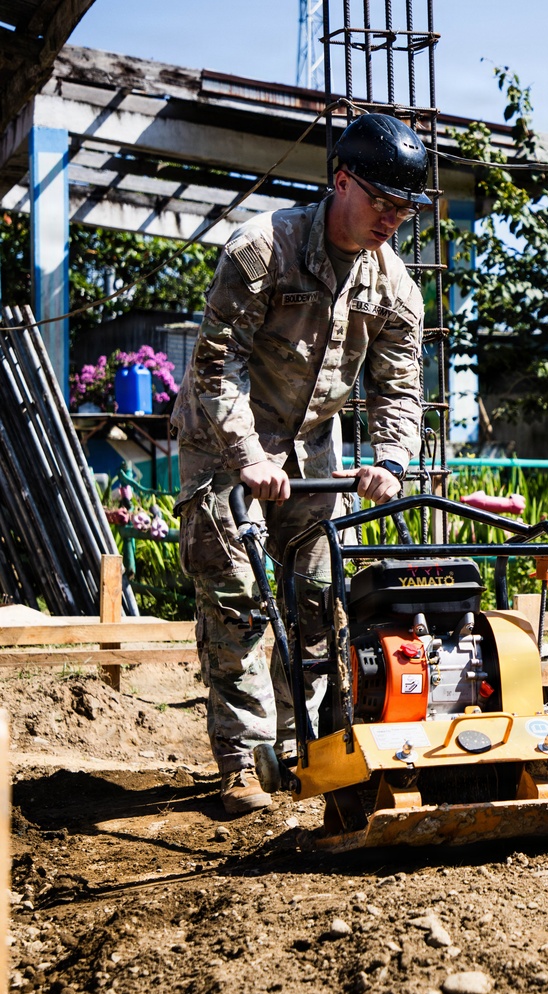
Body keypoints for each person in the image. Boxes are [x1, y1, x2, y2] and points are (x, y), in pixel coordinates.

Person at [170, 113, 431, 815]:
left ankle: (302, 746)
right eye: (382, 202)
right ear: (341, 182)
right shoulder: (262, 249)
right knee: (237, 599)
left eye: (405, 209)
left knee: (317, 600)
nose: (393, 220)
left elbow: (399, 384)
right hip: (225, 444)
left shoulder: (396, 286)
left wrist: (391, 459)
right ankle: (244, 763)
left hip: (314, 445)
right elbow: (215, 366)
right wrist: (249, 457)